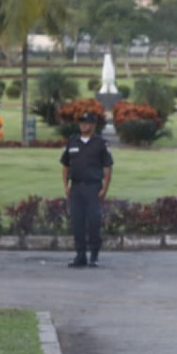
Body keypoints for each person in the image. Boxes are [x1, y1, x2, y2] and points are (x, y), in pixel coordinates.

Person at [61, 111, 112, 268]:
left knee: (94, 221)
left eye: (87, 122)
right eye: (81, 122)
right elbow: (65, 164)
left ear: (93, 125)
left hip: (93, 187)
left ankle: (94, 255)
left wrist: (105, 188)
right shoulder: (73, 141)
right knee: (77, 222)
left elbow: (108, 167)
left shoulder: (100, 143)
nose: (83, 125)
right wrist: (65, 185)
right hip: (76, 187)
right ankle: (80, 255)